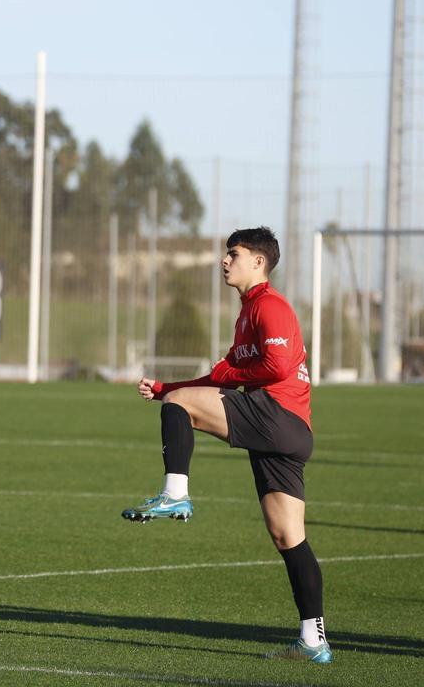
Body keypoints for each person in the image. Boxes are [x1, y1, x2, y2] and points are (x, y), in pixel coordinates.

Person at [123, 227, 331, 664]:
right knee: (288, 536)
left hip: (279, 416)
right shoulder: (247, 313)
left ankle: (175, 495)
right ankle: (314, 642)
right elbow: (221, 376)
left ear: (258, 261)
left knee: (182, 407)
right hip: (288, 431)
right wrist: (168, 388)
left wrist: (191, 392)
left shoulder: (270, 306)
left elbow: (275, 367)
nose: (225, 261)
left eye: (233, 254)